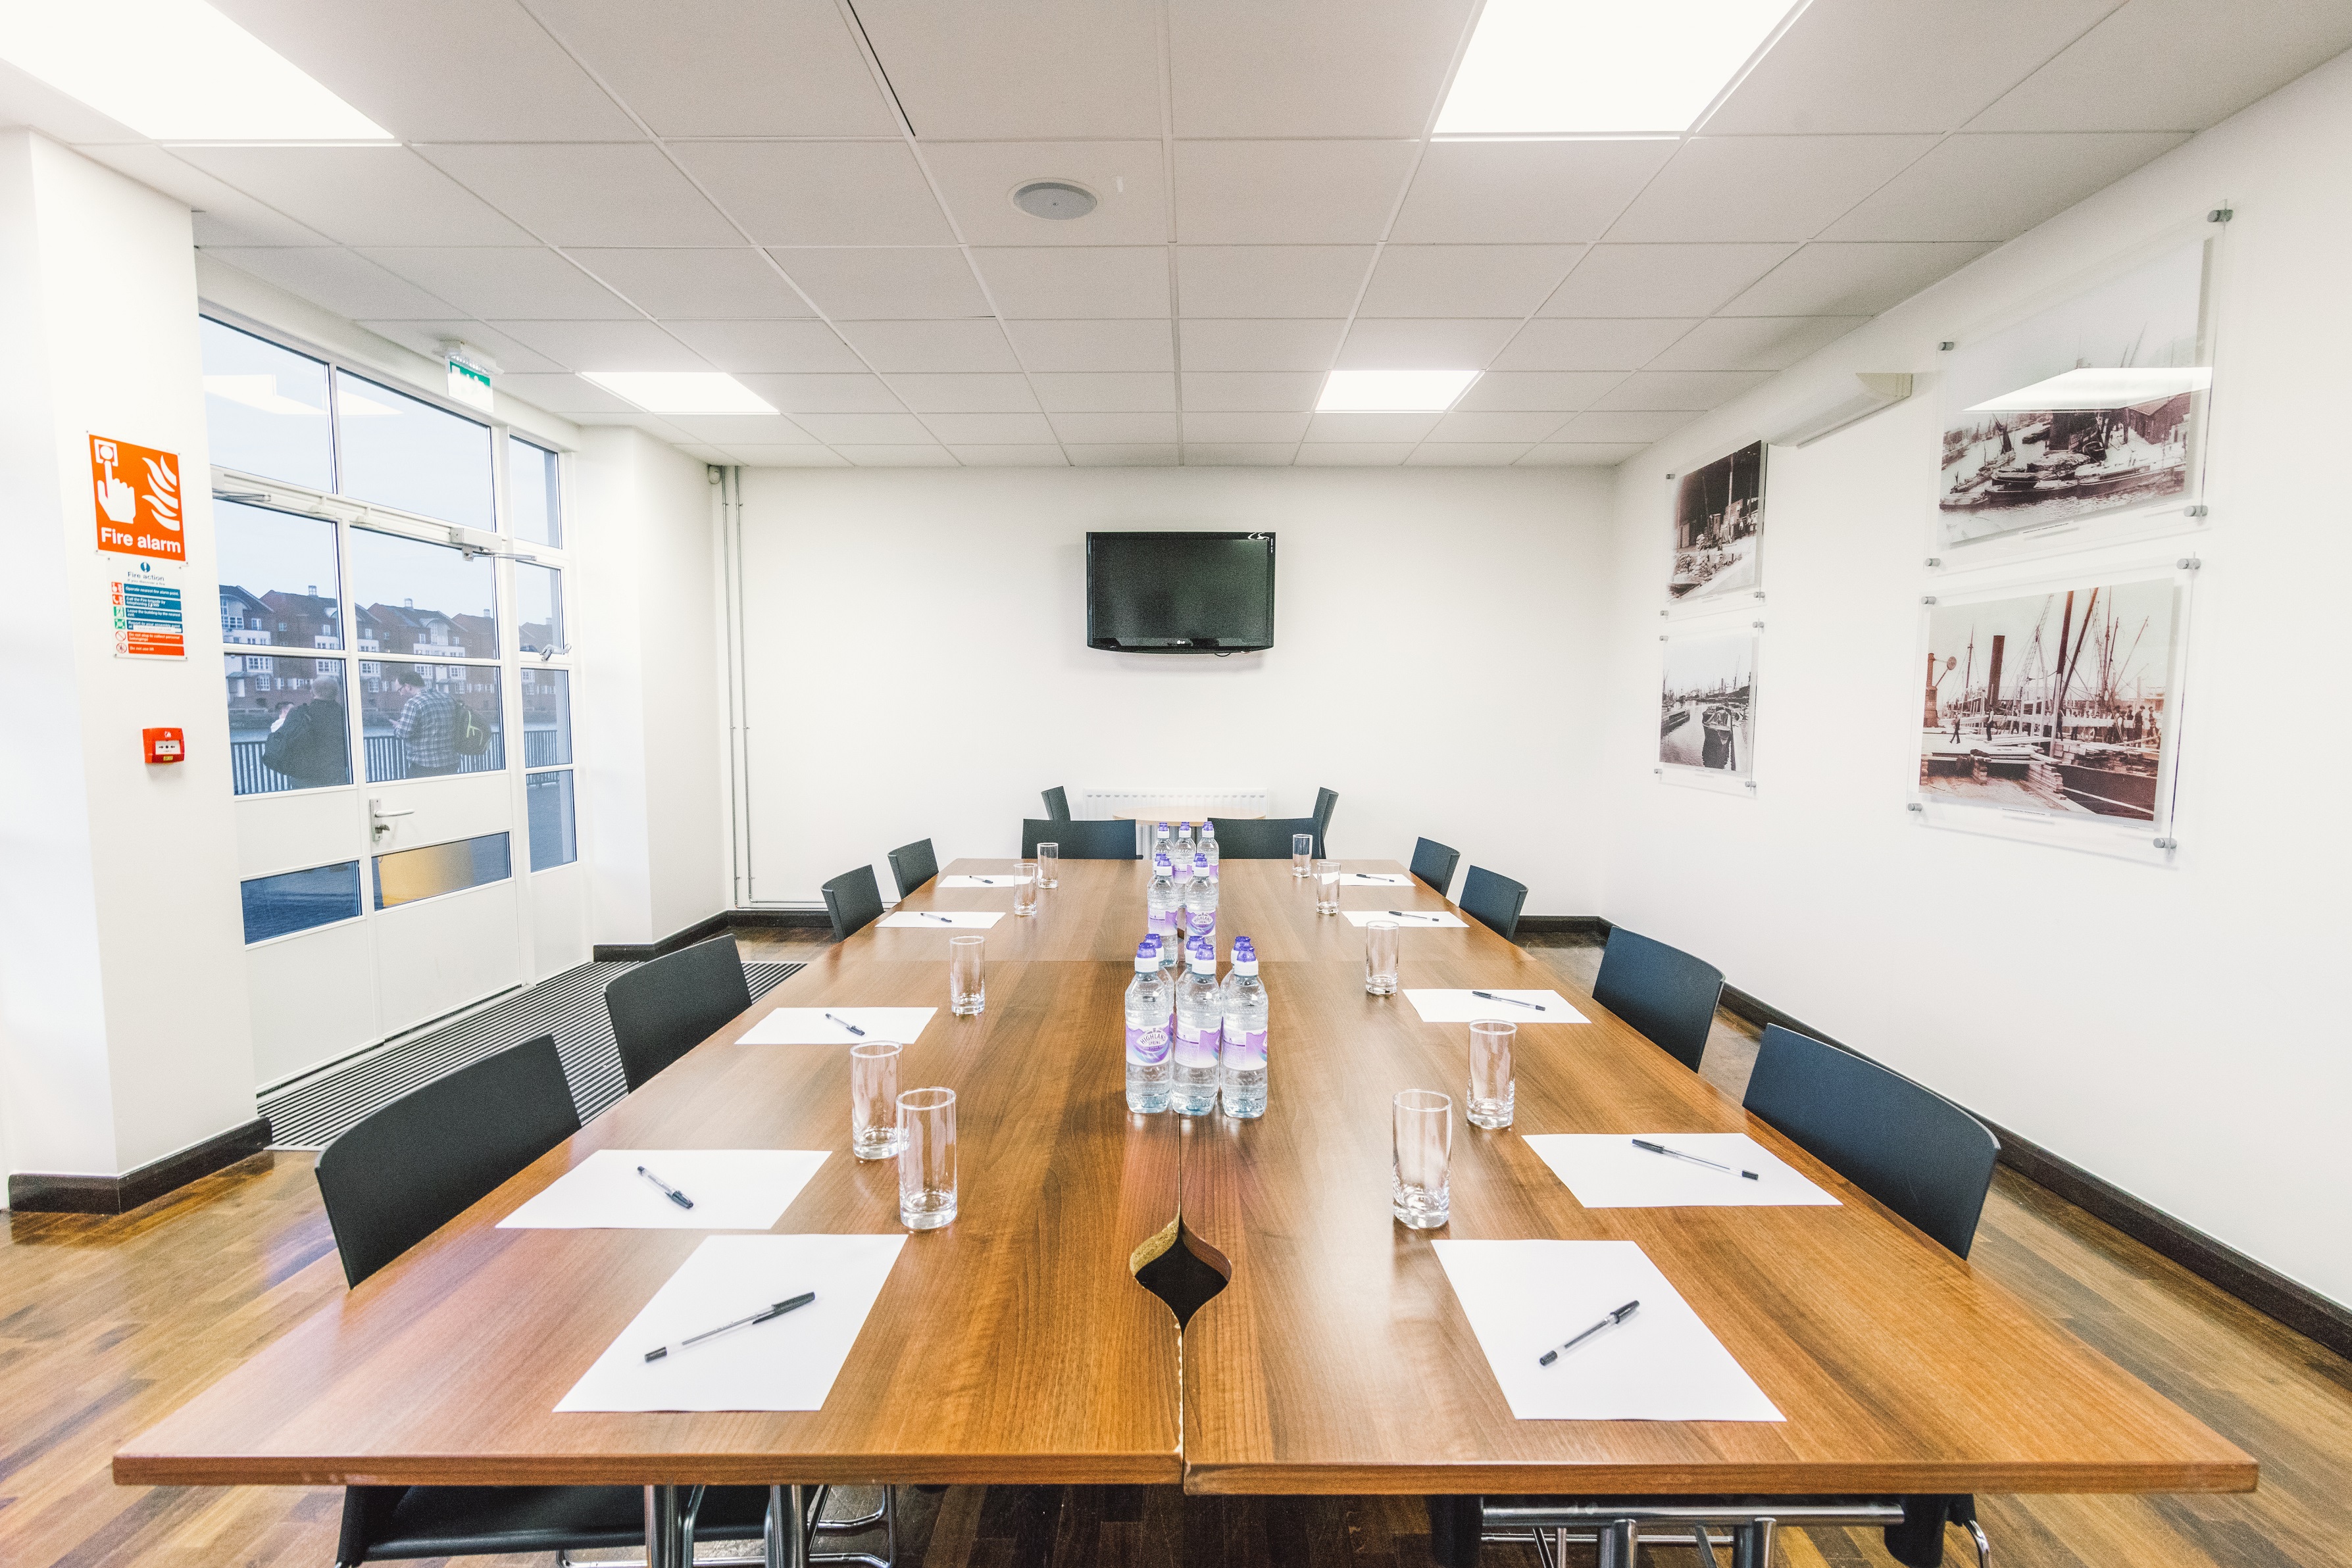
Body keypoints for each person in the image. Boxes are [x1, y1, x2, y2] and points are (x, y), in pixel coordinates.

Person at [261, 677, 349, 789]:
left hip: (304, 778)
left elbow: (283, 740)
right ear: (336, 693)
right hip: (336, 777)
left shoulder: (299, 714)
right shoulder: (346, 715)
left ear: (312, 693)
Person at [391, 668, 461, 777]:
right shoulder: (448, 698)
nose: (400, 694)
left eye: (400, 690)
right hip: (451, 763)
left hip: (424, 766)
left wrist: (398, 727)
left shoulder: (413, 703)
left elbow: (404, 733)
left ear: (408, 686)